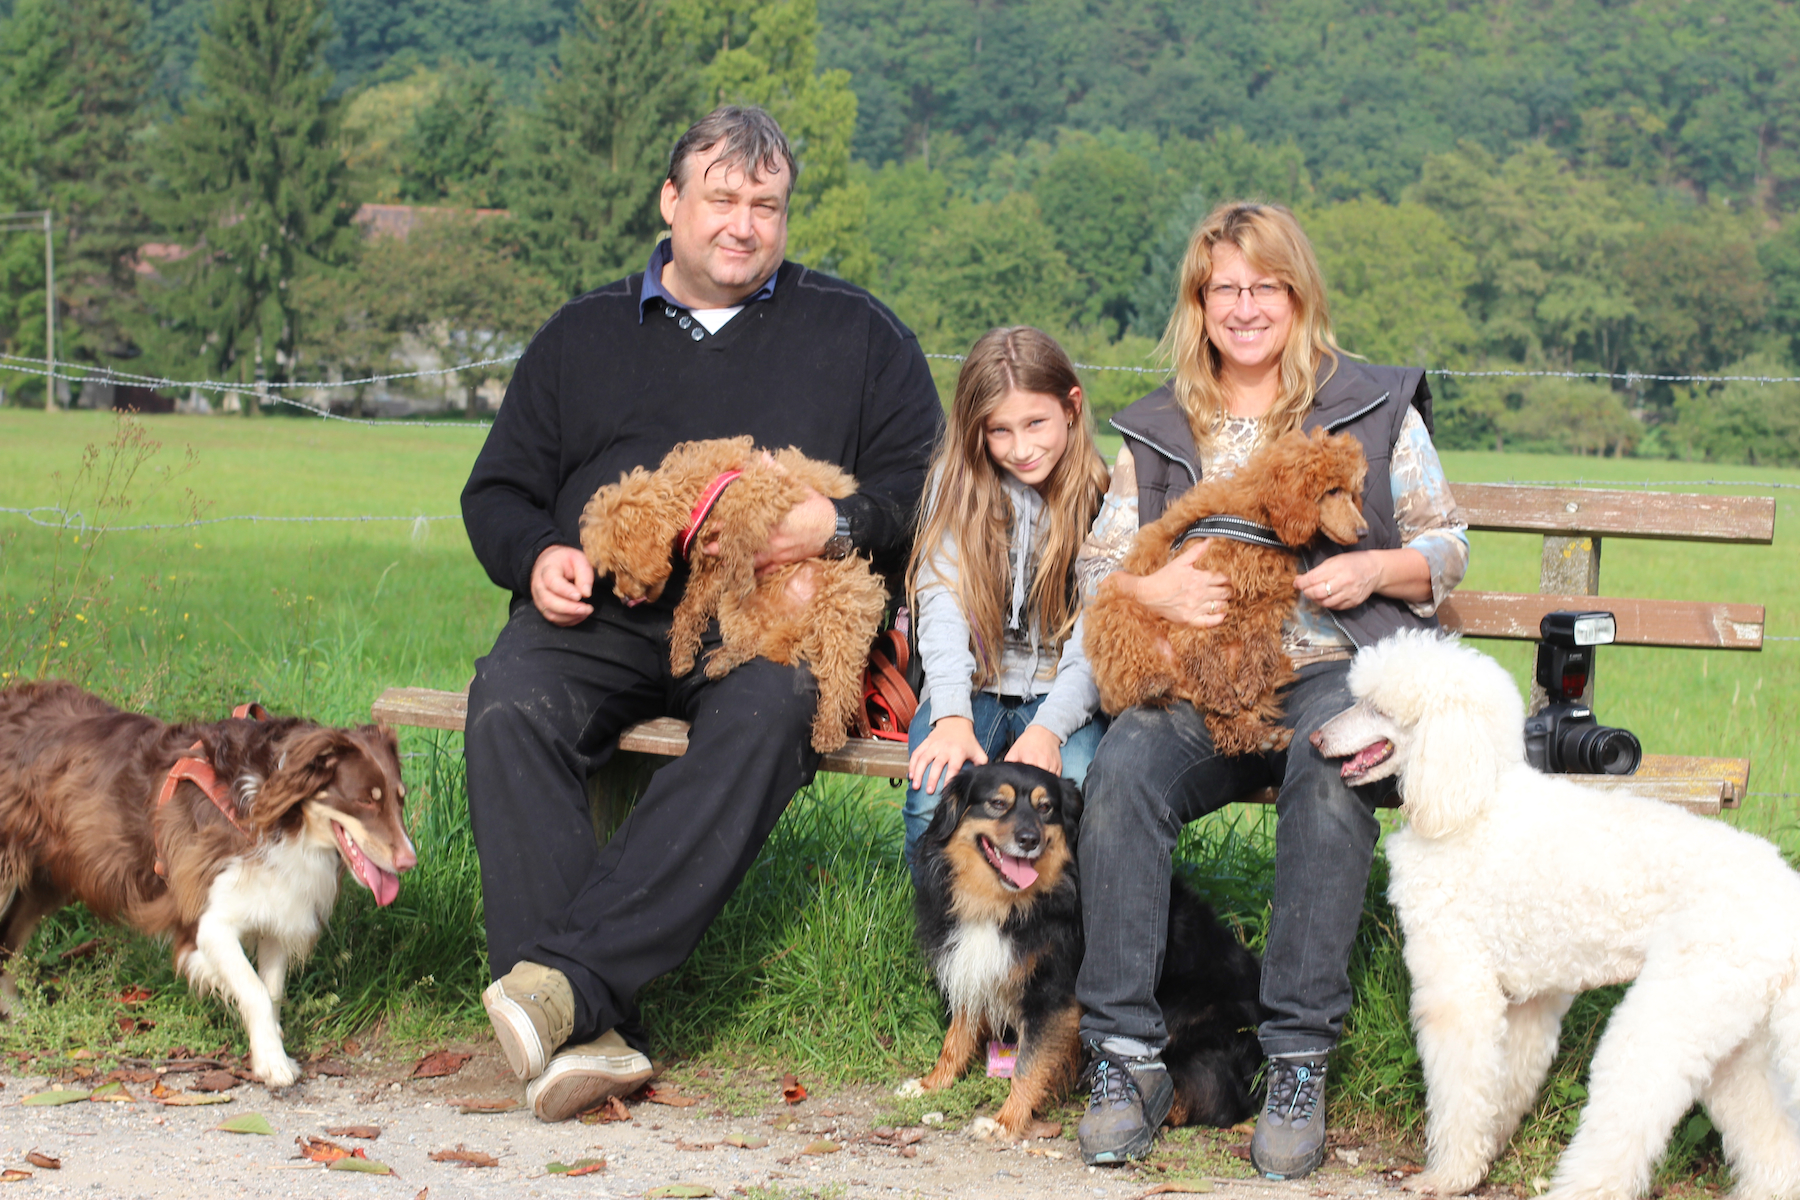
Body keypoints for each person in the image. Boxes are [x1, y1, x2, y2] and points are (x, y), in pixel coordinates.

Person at [458, 106, 943, 1123]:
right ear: (671, 202)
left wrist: (836, 522)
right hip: (606, 609)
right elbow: (497, 491)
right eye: (722, 198)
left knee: (773, 715)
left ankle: (565, 992)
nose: (744, 224)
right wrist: (539, 554)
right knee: (510, 700)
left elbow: (924, 490)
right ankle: (583, 1031)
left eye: (767, 205)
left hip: (768, 618)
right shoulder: (582, 336)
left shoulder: (859, 335)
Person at [1070, 202, 1469, 1174]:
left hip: (1332, 668)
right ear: (1198, 302)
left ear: (1298, 296)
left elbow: (1446, 545)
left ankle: (1297, 1060)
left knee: (1331, 778)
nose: (1244, 308)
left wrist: (1375, 569)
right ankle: (1123, 1055)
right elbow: (1098, 570)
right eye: (1225, 289)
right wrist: (1152, 589)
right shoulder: (1161, 427)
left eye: (1265, 287)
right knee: (1122, 770)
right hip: (1200, 677)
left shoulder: (1372, 405)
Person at [901, 327, 1111, 872]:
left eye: (1036, 423)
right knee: (932, 794)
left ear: (1072, 407)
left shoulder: (1103, 495)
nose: (1021, 448)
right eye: (999, 430)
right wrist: (950, 715)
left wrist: (1049, 729)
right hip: (972, 687)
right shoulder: (955, 485)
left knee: (1078, 787)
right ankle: (940, 922)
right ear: (977, 430)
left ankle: (1055, 920)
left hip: (1064, 693)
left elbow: (1097, 635)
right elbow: (942, 604)